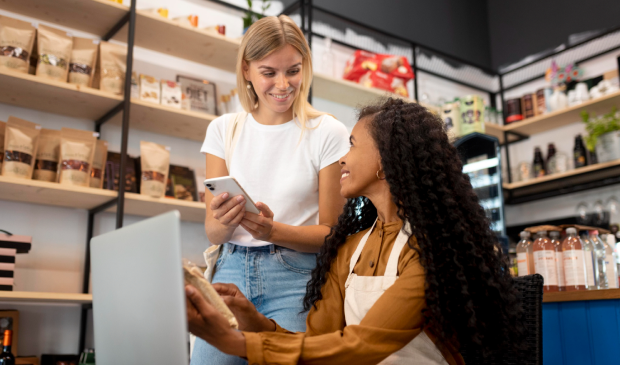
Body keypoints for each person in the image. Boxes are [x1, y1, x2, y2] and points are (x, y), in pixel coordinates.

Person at [186, 98, 525, 364]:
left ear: (384, 161)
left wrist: (234, 341)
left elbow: (361, 346)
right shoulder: (350, 248)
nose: (342, 159)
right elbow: (318, 342)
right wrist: (250, 317)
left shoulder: (428, 250)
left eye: (351, 145)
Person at [192, 14, 350, 365]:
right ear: (247, 70)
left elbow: (332, 234)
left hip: (297, 278)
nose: (283, 84)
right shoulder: (223, 130)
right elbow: (213, 232)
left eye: (293, 70)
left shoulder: (327, 132)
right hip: (230, 271)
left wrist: (272, 230)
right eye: (269, 72)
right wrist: (226, 221)